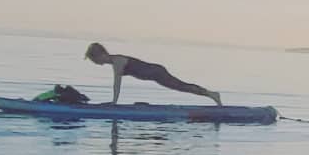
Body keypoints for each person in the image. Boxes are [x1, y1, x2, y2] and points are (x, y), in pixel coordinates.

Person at [83, 42, 221, 105]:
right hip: (155, 74)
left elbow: (117, 84)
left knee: (182, 86)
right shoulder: (114, 61)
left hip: (156, 72)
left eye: (93, 59)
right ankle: (211, 94)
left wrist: (114, 102)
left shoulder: (117, 62)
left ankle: (212, 94)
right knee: (181, 86)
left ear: (100, 55)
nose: (94, 62)